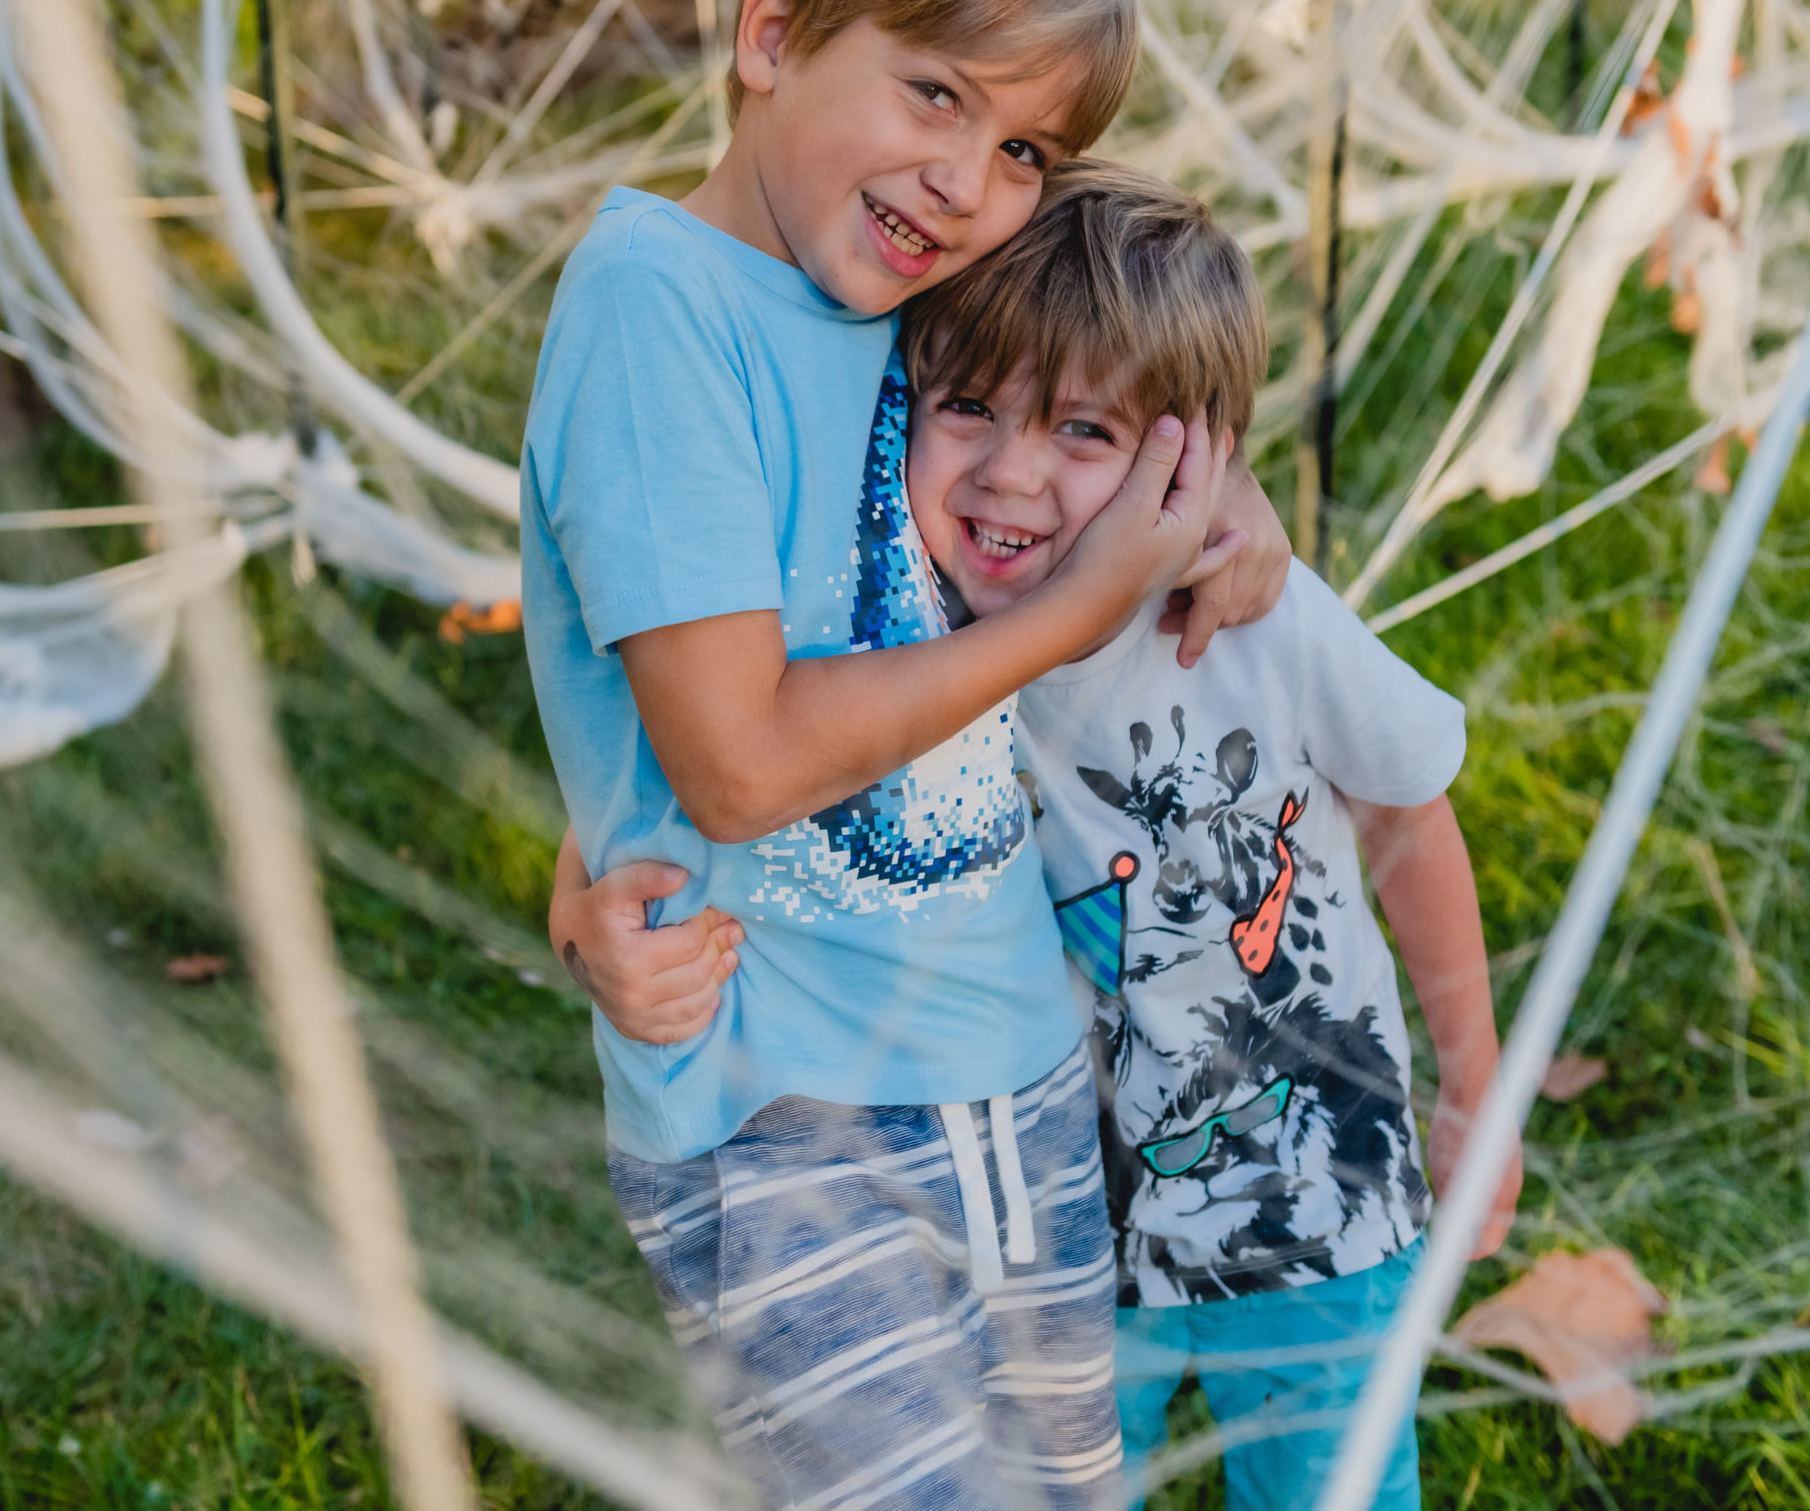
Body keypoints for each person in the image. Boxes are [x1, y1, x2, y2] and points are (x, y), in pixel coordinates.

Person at [519, 0, 1289, 1508]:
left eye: (1027, 148)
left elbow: (1094, 393)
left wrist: (1230, 503)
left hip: (1014, 1062)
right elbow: (731, 758)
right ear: (771, 32)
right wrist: (1060, 623)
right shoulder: (661, 305)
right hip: (787, 1117)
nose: (969, 181)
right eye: (936, 92)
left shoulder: (898, 293)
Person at [561, 161, 1522, 1511]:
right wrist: (580, 894)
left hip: (1319, 1187)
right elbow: (710, 739)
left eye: (1084, 431)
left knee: (1333, 1488)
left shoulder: (1262, 621)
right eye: (967, 406)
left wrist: (1474, 1072)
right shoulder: (910, 632)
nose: (1012, 472)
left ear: (1195, 457)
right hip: (1063, 1211)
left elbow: (1409, 811)